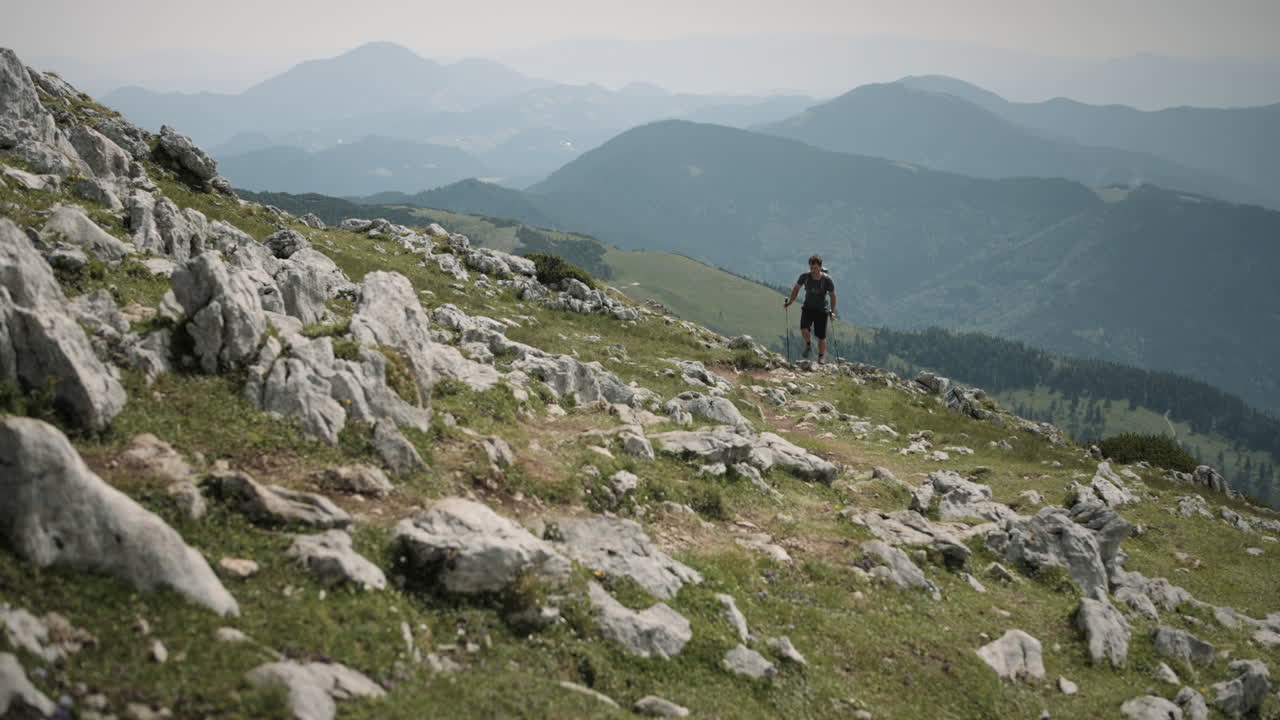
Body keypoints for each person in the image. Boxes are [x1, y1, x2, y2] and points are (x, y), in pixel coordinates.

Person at [783, 255, 837, 363]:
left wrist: (833, 312)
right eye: (811, 268)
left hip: (822, 310)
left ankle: (821, 357)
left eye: (815, 268)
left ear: (820, 267)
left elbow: (833, 295)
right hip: (808, 308)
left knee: (821, 336)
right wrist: (790, 301)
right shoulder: (805, 277)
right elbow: (796, 288)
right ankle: (808, 344)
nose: (813, 270)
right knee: (804, 329)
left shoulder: (827, 280)